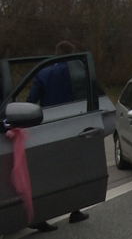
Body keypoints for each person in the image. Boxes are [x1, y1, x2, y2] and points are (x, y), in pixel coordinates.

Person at [26, 41, 89, 232]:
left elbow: (30, 102)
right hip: (74, 125)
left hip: (49, 128)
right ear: (72, 55)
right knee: (72, 170)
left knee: (46, 173)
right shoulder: (80, 73)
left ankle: (40, 217)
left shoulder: (44, 73)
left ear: (57, 54)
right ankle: (74, 210)